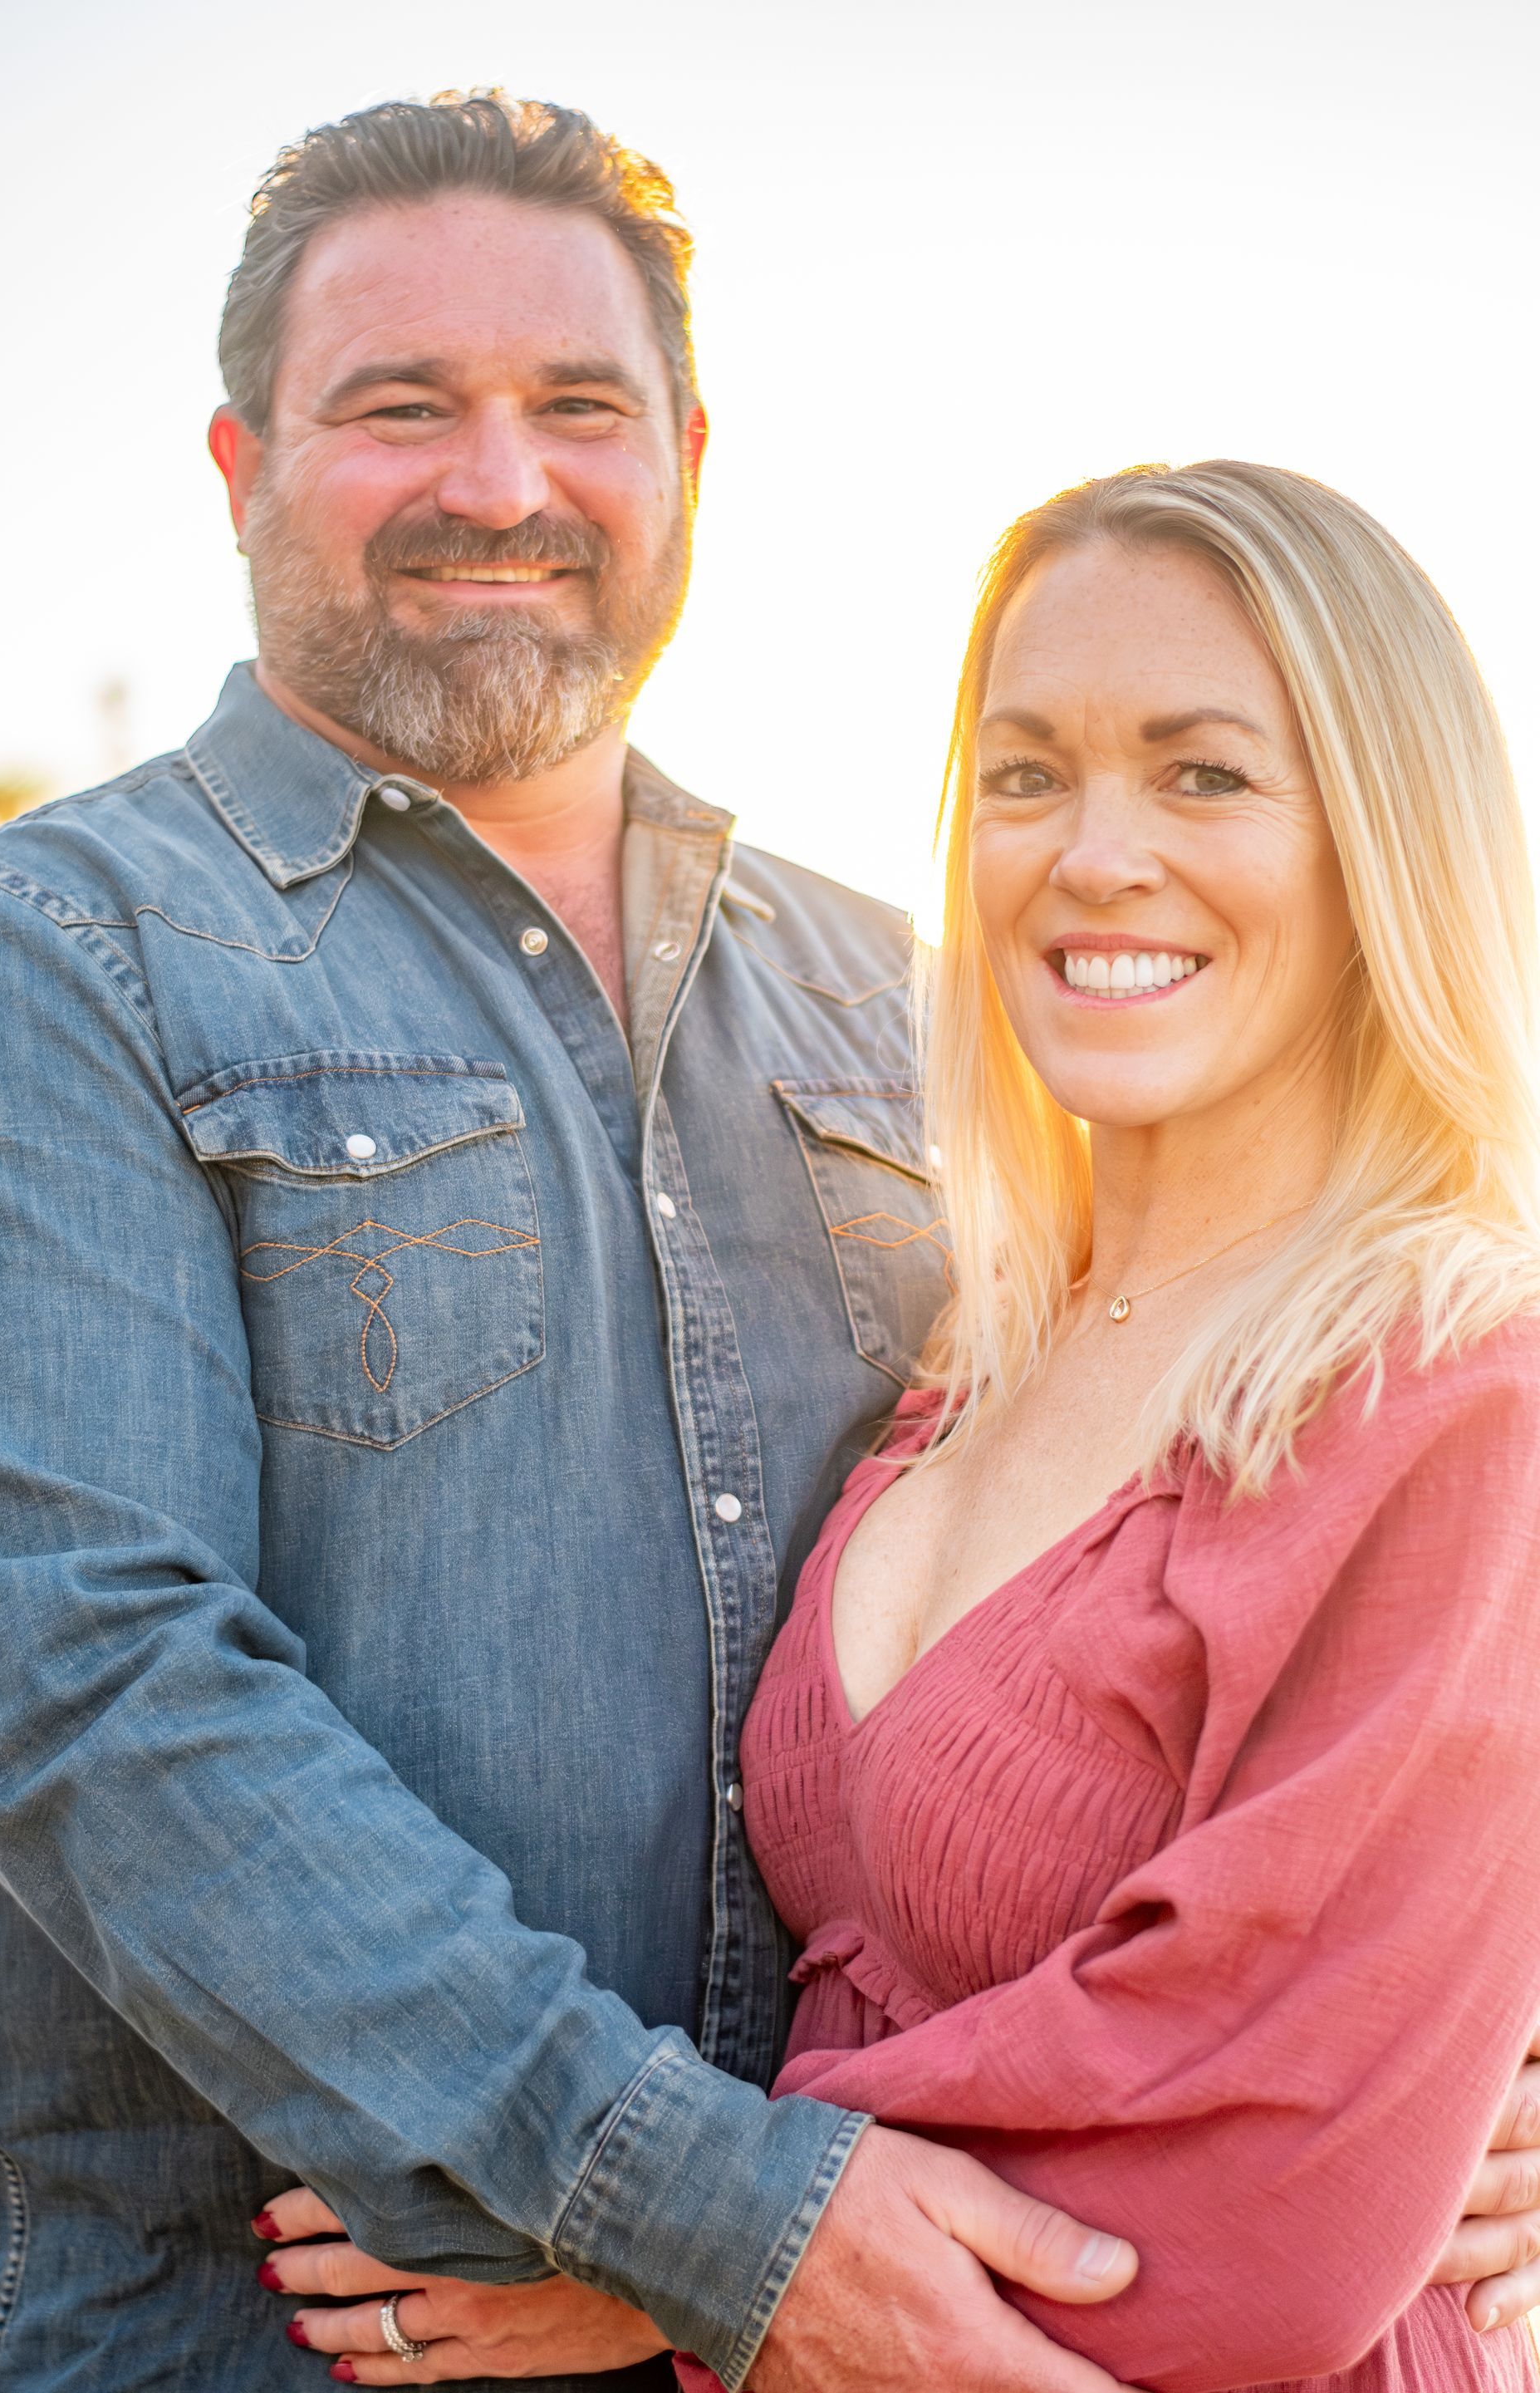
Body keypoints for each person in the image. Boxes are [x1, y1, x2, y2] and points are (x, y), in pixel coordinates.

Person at [0, 87, 1533, 2393]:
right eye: (402, 408)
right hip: (274, 2337)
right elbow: (99, 1692)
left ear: (691, 456)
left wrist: (1449, 2034)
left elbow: (1331, 1614)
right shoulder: (53, 958)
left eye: (578, 408)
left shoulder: (897, 1004)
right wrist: (713, 2222)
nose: (503, 480)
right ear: (237, 468)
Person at [655, 459, 1540, 2392]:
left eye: (1205, 774)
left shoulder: (1461, 1387)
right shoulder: (968, 1352)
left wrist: (650, 2243)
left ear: (1380, 839)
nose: (1096, 853)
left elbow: (1260, 2195)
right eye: (1029, 770)